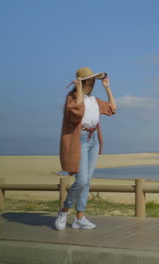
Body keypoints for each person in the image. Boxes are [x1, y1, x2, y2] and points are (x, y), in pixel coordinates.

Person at [55, 67, 117, 231]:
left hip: (93, 139)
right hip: (79, 140)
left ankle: (80, 217)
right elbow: (77, 113)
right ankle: (64, 210)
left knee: (87, 181)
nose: (92, 83)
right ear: (82, 82)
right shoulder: (72, 98)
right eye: (89, 80)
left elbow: (112, 109)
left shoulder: (94, 100)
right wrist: (79, 90)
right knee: (81, 180)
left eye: (93, 80)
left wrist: (107, 88)